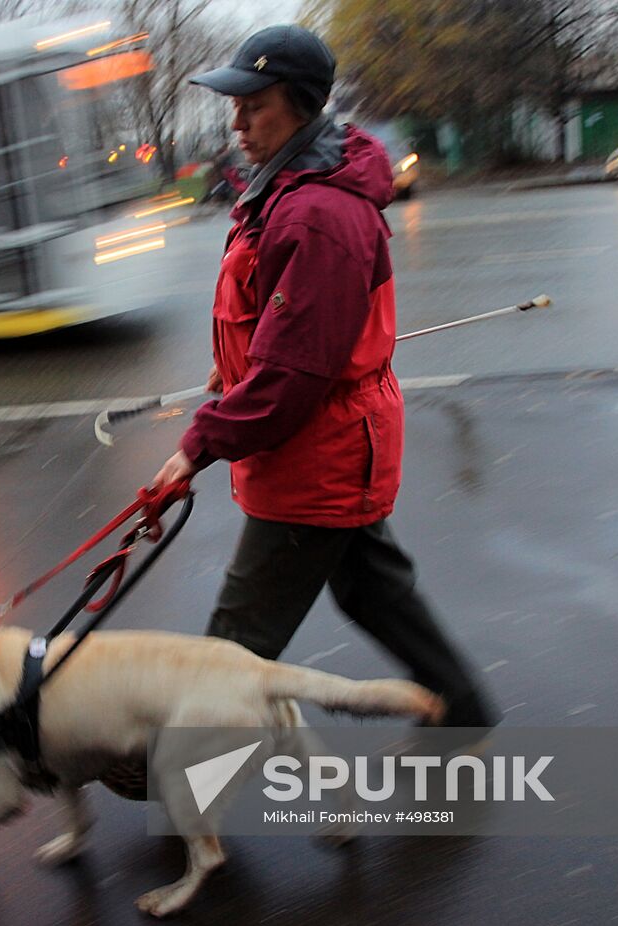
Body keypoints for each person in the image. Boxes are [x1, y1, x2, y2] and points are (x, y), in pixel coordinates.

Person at [149, 24, 497, 728]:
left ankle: (173, 784)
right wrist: (233, 363)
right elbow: (279, 326)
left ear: (302, 105)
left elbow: (292, 378)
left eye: (256, 104)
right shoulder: (286, 186)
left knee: (234, 647)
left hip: (317, 453)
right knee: (373, 591)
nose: (238, 122)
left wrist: (196, 447)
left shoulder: (316, 215)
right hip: (328, 443)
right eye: (235, 105)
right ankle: (464, 712)